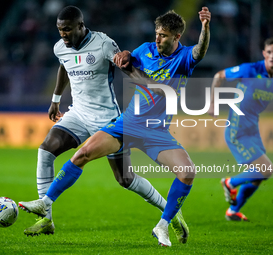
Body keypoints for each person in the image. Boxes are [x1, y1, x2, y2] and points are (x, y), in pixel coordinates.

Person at [20, 7, 211, 247]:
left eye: (163, 35)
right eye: (157, 33)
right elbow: (127, 58)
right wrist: (126, 55)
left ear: (176, 37)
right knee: (81, 153)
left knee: (176, 173)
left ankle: (163, 223)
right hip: (127, 124)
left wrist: (204, 28)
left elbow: (199, 51)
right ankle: (45, 204)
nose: (157, 38)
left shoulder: (183, 58)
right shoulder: (146, 49)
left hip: (154, 130)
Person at [208, 37, 273, 221]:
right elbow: (219, 75)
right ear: (264, 54)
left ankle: (233, 211)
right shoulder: (250, 70)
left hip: (252, 129)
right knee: (266, 169)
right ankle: (230, 182)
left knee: (258, 176)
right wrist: (213, 102)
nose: (272, 56)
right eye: (269, 52)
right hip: (237, 129)